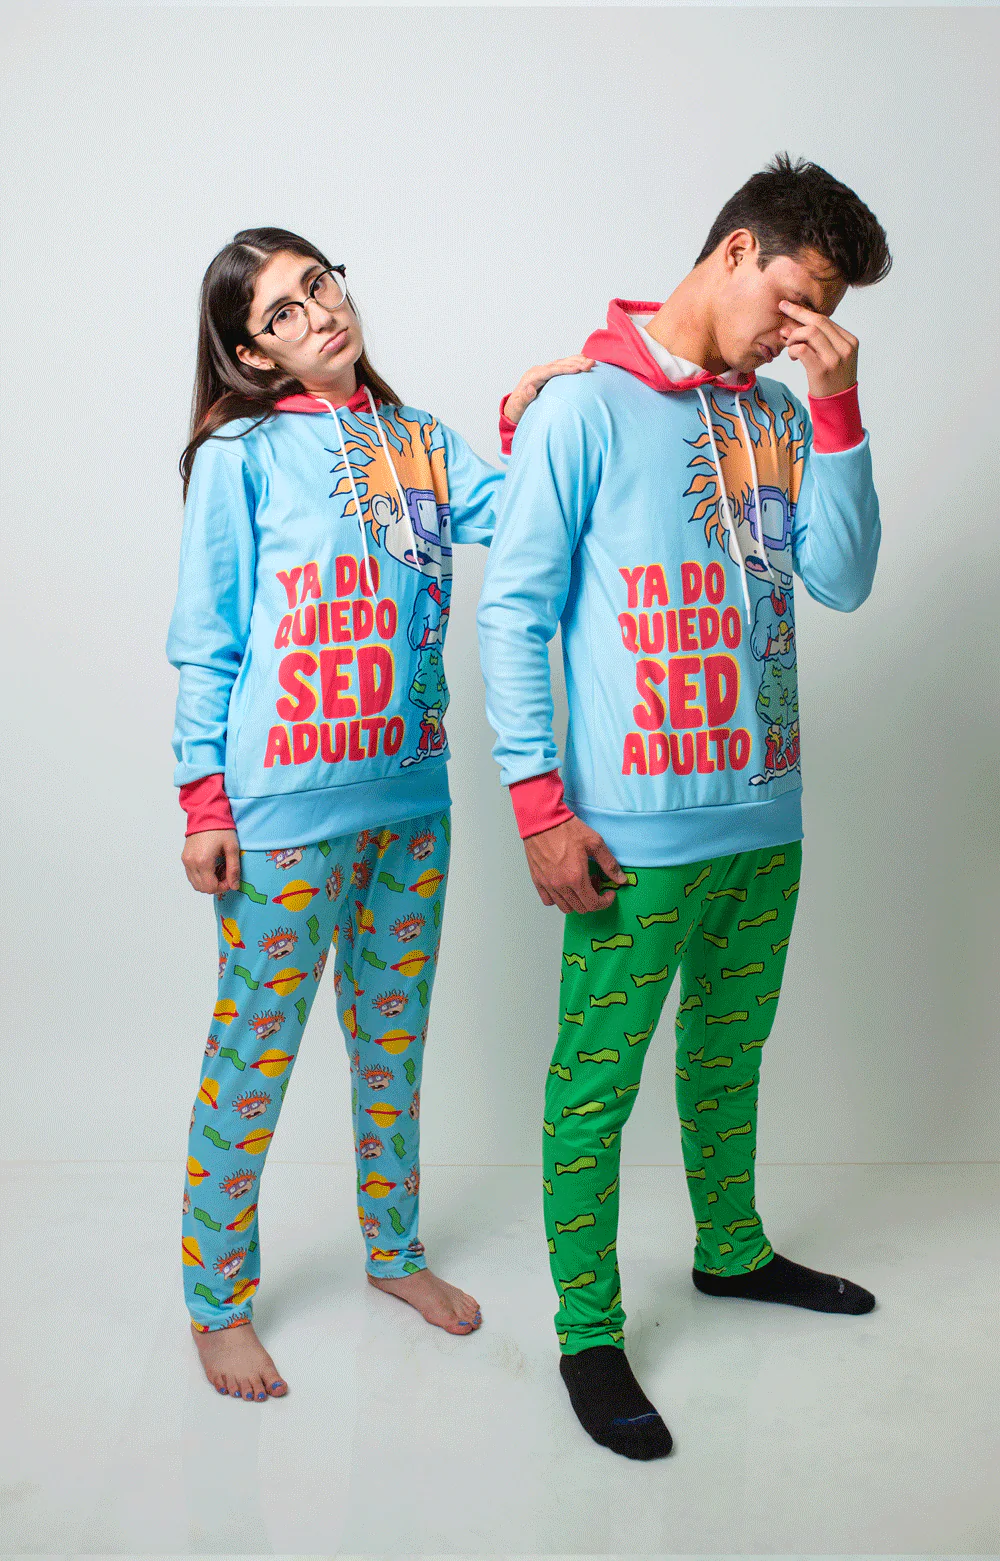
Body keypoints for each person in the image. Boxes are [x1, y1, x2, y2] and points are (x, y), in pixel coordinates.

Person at [478, 156, 890, 1459]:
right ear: (735, 251)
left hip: (765, 821)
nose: (798, 328)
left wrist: (835, 405)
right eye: (794, 297)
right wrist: (539, 806)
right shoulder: (581, 407)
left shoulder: (778, 413)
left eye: (822, 314)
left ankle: (733, 1251)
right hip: (628, 837)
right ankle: (588, 1331)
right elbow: (513, 611)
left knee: (728, 1056)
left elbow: (842, 578)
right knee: (594, 1087)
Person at [169, 227, 592, 1402]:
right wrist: (203, 798)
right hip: (280, 819)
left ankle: (394, 1251)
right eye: (283, 312)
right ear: (253, 352)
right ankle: (217, 1302)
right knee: (252, 1056)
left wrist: (529, 419)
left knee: (392, 1047)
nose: (318, 313)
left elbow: (526, 519)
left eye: (320, 285)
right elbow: (206, 636)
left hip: (410, 804)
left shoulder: (419, 441)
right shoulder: (239, 455)